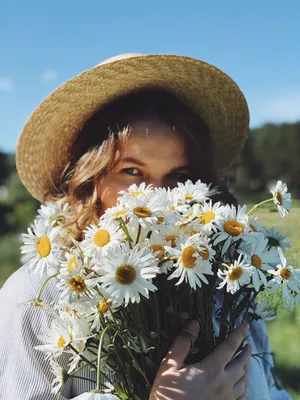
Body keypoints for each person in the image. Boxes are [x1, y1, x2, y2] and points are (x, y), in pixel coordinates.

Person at [0, 54, 291, 400]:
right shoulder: (36, 298)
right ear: (89, 178)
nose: (155, 197)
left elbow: (273, 392)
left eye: (178, 176)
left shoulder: (228, 285)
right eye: (133, 172)